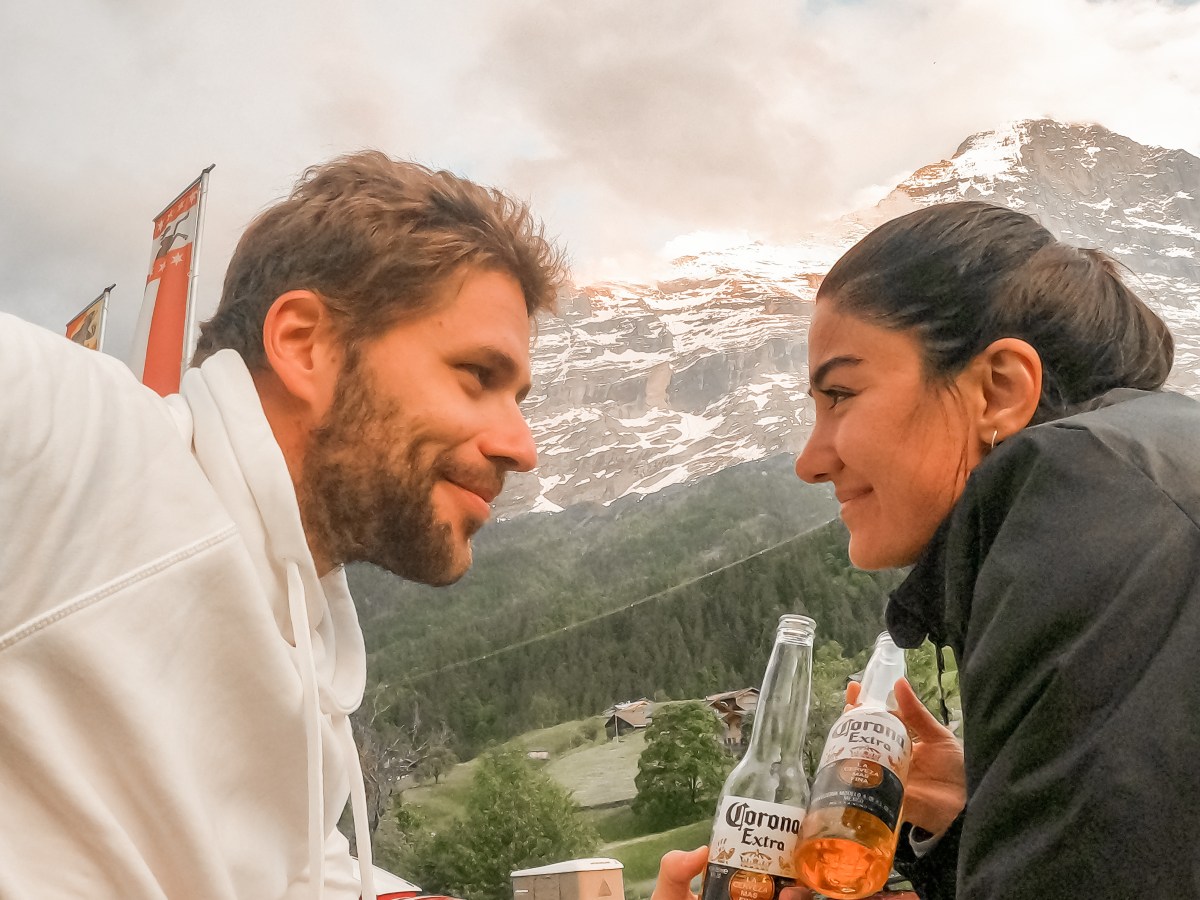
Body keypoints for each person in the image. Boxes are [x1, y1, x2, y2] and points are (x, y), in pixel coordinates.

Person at [0, 150, 564, 898]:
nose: (521, 447)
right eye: (477, 377)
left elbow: (296, 869)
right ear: (304, 344)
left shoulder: (306, 630)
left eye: (517, 395)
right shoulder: (85, 439)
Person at [652, 200, 1200, 900]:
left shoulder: (1091, 504)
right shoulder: (1140, 472)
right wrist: (979, 819)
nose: (809, 462)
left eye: (842, 394)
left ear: (998, 391)